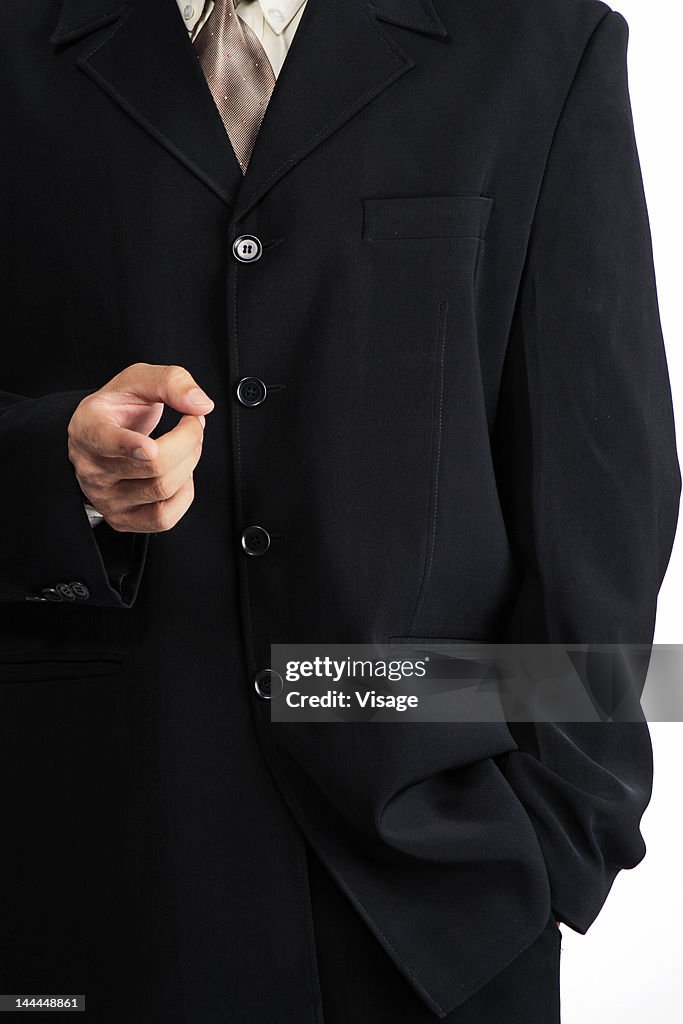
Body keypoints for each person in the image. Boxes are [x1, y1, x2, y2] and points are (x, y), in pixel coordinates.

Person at [1, 0, 679, 1021]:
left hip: (434, 906)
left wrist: (557, 830)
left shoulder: (542, 43)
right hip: (86, 878)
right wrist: (58, 465)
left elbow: (602, 491)